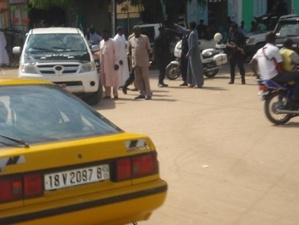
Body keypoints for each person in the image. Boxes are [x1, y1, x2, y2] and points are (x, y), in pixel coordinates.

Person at [250, 32, 299, 106]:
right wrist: (288, 72)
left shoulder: (259, 50)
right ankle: (294, 98)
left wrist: (257, 75)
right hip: (275, 76)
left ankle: (284, 97)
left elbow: (251, 64)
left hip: (264, 78)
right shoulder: (274, 49)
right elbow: (280, 64)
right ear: (274, 39)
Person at [127, 25, 152, 100]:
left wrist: (149, 59)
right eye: (136, 31)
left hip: (143, 61)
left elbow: (148, 49)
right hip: (135, 62)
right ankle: (141, 93)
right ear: (134, 32)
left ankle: (148, 94)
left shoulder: (145, 38)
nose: (137, 32)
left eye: (138, 31)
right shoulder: (131, 39)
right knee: (138, 79)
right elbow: (129, 51)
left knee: (145, 78)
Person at [98, 29, 119, 99]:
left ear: (108, 34)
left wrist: (116, 63)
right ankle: (108, 94)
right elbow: (101, 53)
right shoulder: (101, 42)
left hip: (112, 64)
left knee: (114, 78)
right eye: (102, 34)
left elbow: (116, 53)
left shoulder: (113, 42)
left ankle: (115, 94)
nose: (103, 35)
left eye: (104, 34)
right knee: (105, 78)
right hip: (103, 64)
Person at [185, 21, 204, 88]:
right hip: (193, 53)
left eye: (188, 24)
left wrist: (188, 53)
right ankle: (191, 82)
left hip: (193, 54)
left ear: (191, 26)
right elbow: (184, 30)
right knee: (190, 68)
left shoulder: (193, 33)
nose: (188, 25)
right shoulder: (194, 31)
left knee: (195, 68)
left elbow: (193, 45)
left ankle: (198, 83)